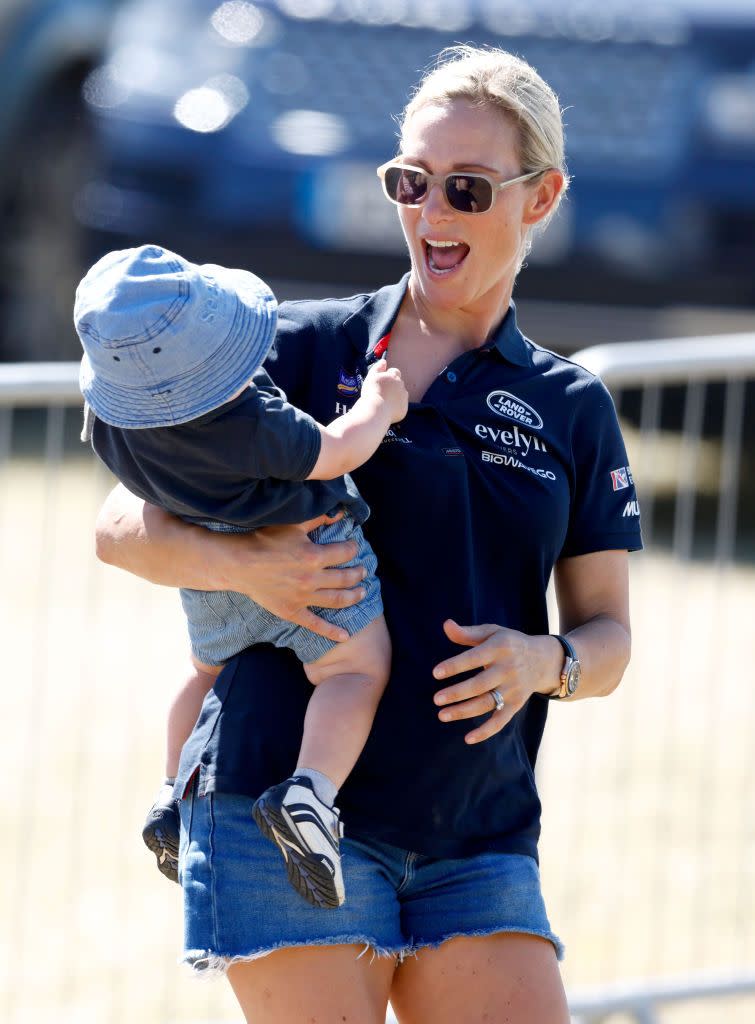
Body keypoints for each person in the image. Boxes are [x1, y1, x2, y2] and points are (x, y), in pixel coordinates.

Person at [95, 44, 642, 1024]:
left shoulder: (572, 406)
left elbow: (607, 640)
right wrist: (247, 564)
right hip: (278, 799)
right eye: (409, 181)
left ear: (541, 197)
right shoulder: (296, 347)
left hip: (479, 834)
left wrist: (539, 660)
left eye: (466, 189)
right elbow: (119, 524)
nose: (430, 214)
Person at [76, 244, 408, 908]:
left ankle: (172, 791)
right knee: (354, 671)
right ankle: (309, 793)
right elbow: (338, 449)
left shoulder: (115, 423)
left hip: (206, 572)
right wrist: (381, 403)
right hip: (313, 555)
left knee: (202, 675)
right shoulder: (251, 420)